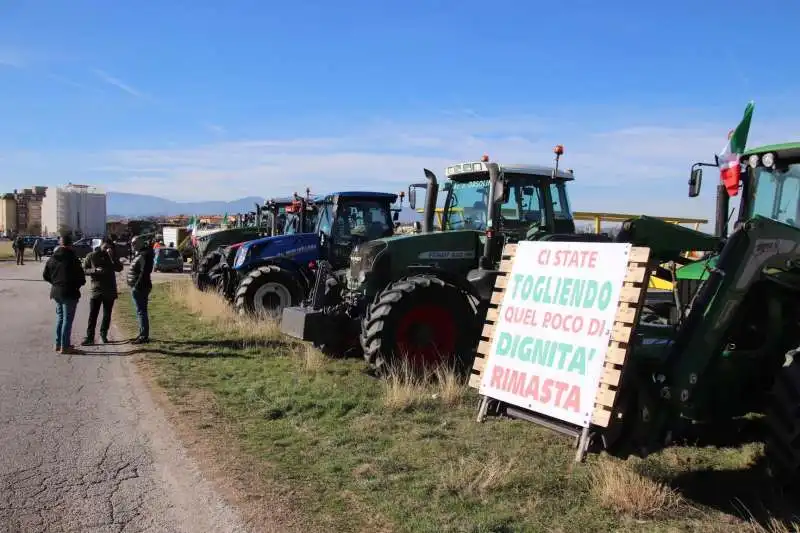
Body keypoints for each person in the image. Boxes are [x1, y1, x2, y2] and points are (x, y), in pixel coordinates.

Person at [43, 233, 86, 354]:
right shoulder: (73, 258)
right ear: (71, 244)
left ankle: (58, 344)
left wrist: (55, 282)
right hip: (69, 292)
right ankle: (65, 346)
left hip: (56, 292)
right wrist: (77, 284)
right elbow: (81, 278)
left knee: (60, 318)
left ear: (60, 244)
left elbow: (45, 275)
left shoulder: (53, 258)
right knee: (67, 319)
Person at [81, 238, 124, 345]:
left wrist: (113, 256)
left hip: (109, 290)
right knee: (93, 315)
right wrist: (95, 270)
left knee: (107, 314)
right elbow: (84, 270)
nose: (107, 249)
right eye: (105, 247)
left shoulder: (112, 256)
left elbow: (119, 268)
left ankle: (103, 334)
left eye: (109, 247)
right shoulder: (92, 255)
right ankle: (90, 337)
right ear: (101, 245)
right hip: (97, 290)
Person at [127, 235, 154, 344]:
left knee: (141, 311)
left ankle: (143, 336)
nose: (132, 246)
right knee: (140, 311)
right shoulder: (141, 254)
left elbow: (145, 272)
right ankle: (142, 334)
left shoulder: (144, 255)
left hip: (140, 288)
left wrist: (136, 286)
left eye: (134, 243)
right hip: (139, 287)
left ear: (139, 244)